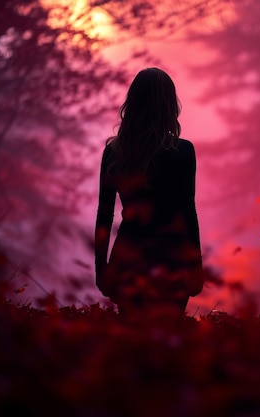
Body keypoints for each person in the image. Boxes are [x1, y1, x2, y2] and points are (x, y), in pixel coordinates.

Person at [94, 67, 203, 316]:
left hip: (128, 258)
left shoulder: (114, 153)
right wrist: (195, 265)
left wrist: (102, 268)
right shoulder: (183, 151)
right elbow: (188, 212)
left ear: (133, 103)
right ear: (168, 105)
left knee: (133, 345)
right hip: (172, 261)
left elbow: (104, 214)